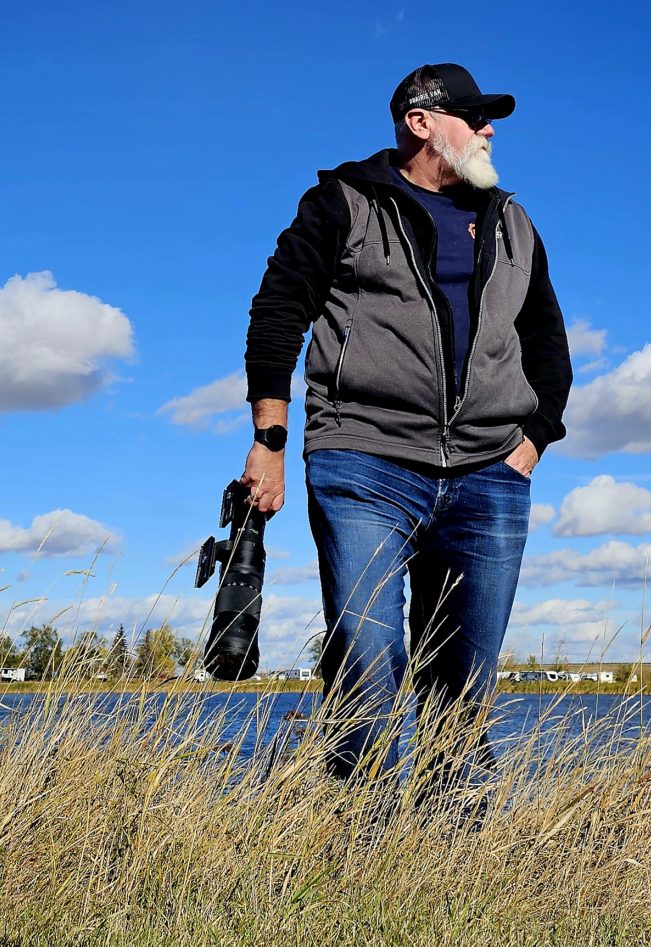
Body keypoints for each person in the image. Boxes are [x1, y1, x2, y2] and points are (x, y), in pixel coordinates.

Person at [241, 63, 573, 783]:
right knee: (368, 652)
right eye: (474, 116)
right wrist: (269, 440)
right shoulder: (342, 203)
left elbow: (548, 344)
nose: (489, 130)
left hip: (491, 474)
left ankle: (448, 859)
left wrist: (533, 439)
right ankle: (363, 842)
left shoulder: (513, 222)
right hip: (365, 460)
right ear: (420, 122)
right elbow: (277, 313)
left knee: (465, 683)